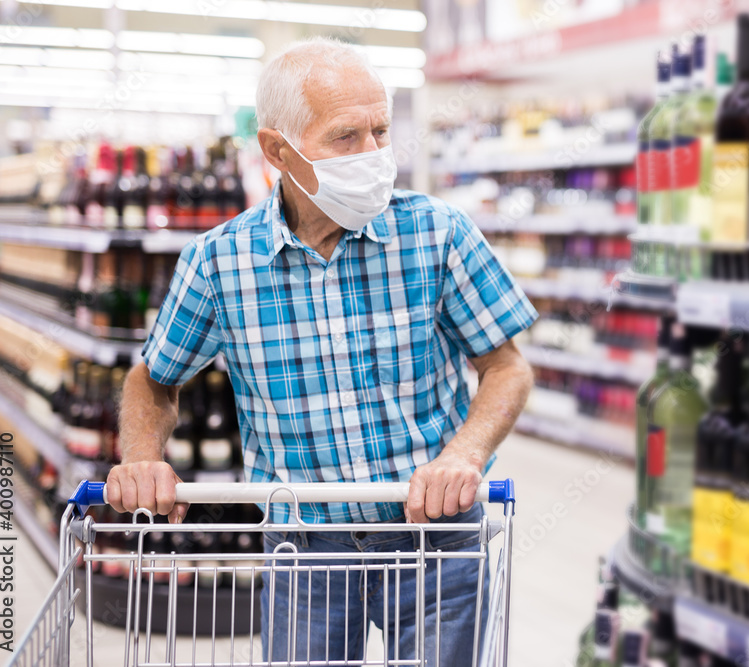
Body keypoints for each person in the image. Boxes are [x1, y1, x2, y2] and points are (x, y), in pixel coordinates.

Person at [105, 37, 537, 664]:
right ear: (278, 150)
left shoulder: (437, 232)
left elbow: (506, 368)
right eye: (345, 137)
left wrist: (464, 457)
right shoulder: (220, 262)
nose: (373, 154)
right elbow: (155, 381)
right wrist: (142, 458)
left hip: (434, 539)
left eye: (380, 131)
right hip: (304, 551)